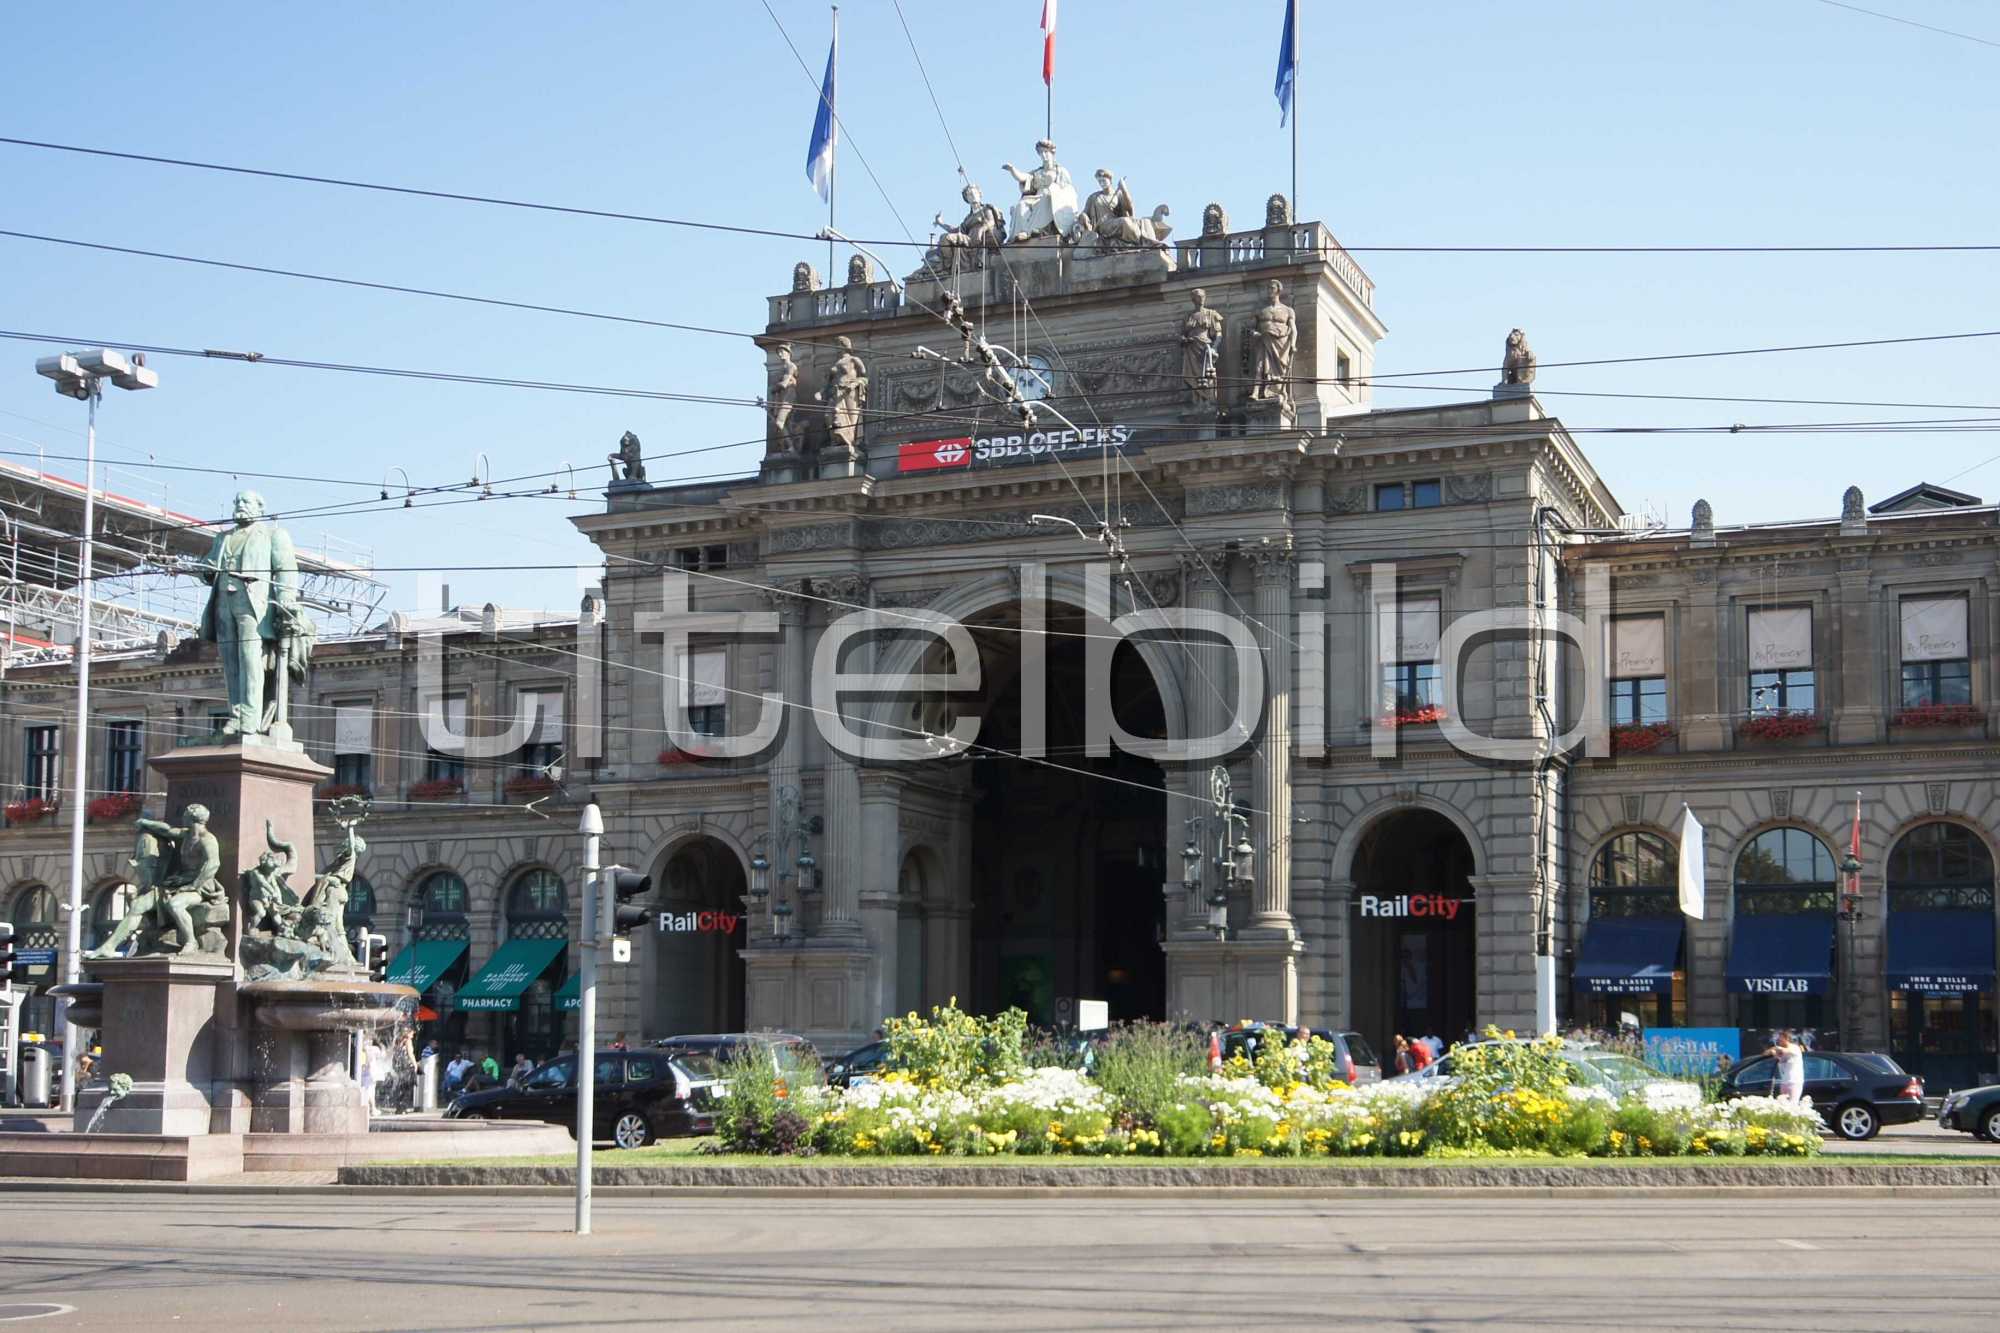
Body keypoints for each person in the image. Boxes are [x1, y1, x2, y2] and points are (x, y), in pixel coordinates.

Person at [1768, 1030, 1806, 1102]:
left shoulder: (1795, 1048)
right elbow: (1765, 1053)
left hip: (1794, 1082)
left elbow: (1785, 1051)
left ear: (1787, 1039)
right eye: (1778, 1039)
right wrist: (1772, 1051)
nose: (1779, 1041)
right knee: (1783, 1105)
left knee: (1792, 1104)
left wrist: (1774, 1049)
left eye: (1780, 1039)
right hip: (1784, 1082)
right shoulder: (1780, 1050)